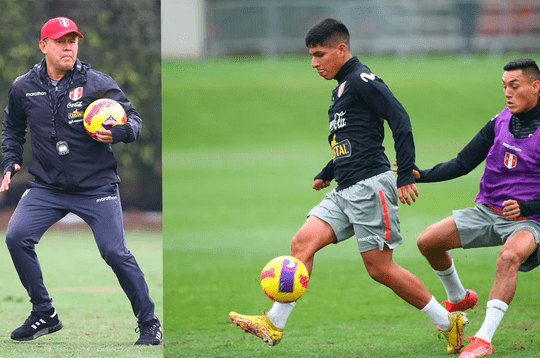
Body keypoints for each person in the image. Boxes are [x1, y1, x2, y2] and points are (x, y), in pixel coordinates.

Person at [228, 18, 469, 354]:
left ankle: (448, 322)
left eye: (320, 54)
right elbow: (351, 136)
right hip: (344, 188)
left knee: (380, 269)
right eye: (311, 56)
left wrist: (403, 178)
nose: (313, 63)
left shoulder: (362, 79)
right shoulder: (340, 88)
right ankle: (273, 323)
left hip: (372, 186)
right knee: (301, 245)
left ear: (341, 49)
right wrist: (328, 169)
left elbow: (400, 120)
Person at [0, 17, 162, 345]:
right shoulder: (23, 87)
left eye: (73, 41)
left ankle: (149, 323)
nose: (69, 47)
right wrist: (11, 159)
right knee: (16, 237)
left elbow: (134, 119)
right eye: (61, 41)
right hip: (47, 187)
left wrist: (120, 132)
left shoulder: (96, 83)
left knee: (115, 253)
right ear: (44, 45)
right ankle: (44, 313)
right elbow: (13, 127)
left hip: (96, 187)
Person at [414, 57, 540, 358]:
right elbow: (462, 162)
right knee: (427, 242)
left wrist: (526, 205)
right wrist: (422, 175)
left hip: (531, 218)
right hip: (487, 210)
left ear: (535, 87)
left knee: (509, 256)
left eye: (514, 86)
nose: (507, 93)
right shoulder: (499, 122)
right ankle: (458, 298)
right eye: (504, 87)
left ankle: (483, 338)